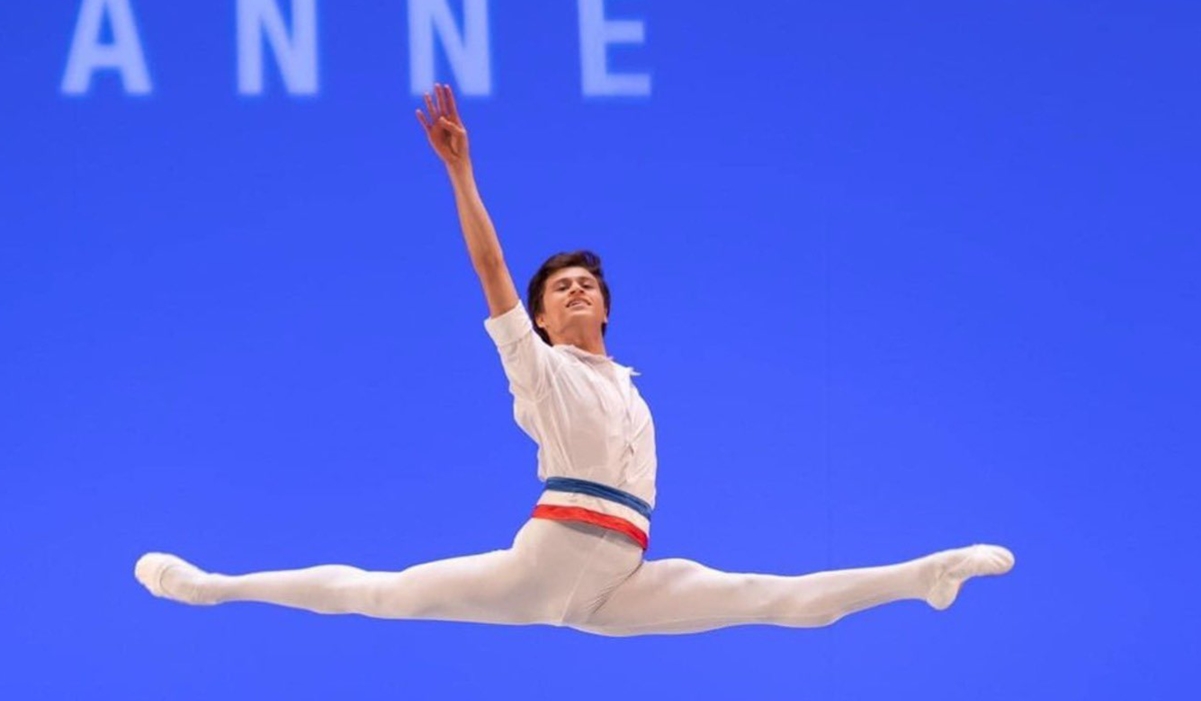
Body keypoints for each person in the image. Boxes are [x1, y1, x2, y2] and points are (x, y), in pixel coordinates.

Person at [134, 83, 1014, 636]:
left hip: (621, 582)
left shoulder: (628, 384)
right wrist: (460, 172)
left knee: (774, 601)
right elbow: (488, 268)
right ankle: (212, 587)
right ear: (544, 320)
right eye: (561, 288)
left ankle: (922, 577)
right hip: (545, 564)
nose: (577, 290)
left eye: (588, 283)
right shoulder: (539, 368)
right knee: (378, 594)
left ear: (606, 307)